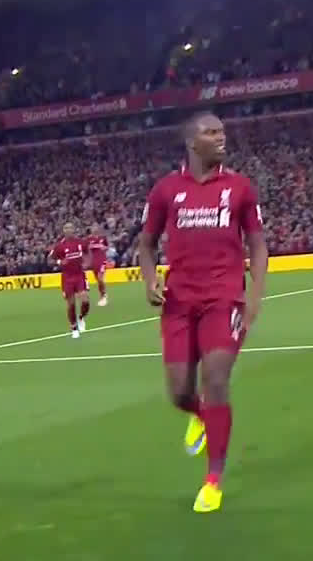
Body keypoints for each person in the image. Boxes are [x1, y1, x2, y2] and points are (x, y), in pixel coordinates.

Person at [136, 111, 267, 514]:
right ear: (193, 142)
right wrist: (150, 280)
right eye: (212, 133)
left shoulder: (240, 187)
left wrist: (255, 295)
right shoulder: (165, 190)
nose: (221, 137)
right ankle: (200, 416)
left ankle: (213, 481)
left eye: (222, 131)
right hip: (179, 302)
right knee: (179, 392)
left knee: (215, 379)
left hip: (223, 299)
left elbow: (258, 243)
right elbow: (146, 244)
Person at [49, 223, 91, 338]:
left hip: (80, 275)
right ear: (63, 230)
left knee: (85, 300)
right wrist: (59, 262)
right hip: (67, 278)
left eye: (70, 228)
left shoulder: (80, 242)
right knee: (71, 304)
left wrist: (87, 263)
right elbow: (50, 259)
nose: (68, 230)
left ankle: (81, 317)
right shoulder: (60, 246)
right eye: (66, 228)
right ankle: (74, 328)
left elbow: (88, 252)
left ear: (74, 229)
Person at [85, 224, 111, 305]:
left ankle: (104, 296)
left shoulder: (103, 238)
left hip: (102, 260)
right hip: (94, 261)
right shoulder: (88, 239)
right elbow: (85, 250)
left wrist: (105, 248)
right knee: (98, 280)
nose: (95, 229)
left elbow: (107, 247)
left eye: (96, 227)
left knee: (100, 278)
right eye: (93, 227)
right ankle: (102, 295)